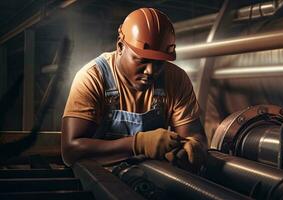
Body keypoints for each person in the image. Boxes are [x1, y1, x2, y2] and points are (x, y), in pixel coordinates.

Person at [61, 8, 207, 171]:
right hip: (99, 178)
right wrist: (138, 144)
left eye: (159, 62)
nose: (151, 71)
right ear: (120, 47)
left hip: (153, 176)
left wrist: (194, 146)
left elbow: (194, 136)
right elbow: (70, 151)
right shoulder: (92, 77)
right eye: (142, 60)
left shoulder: (176, 79)